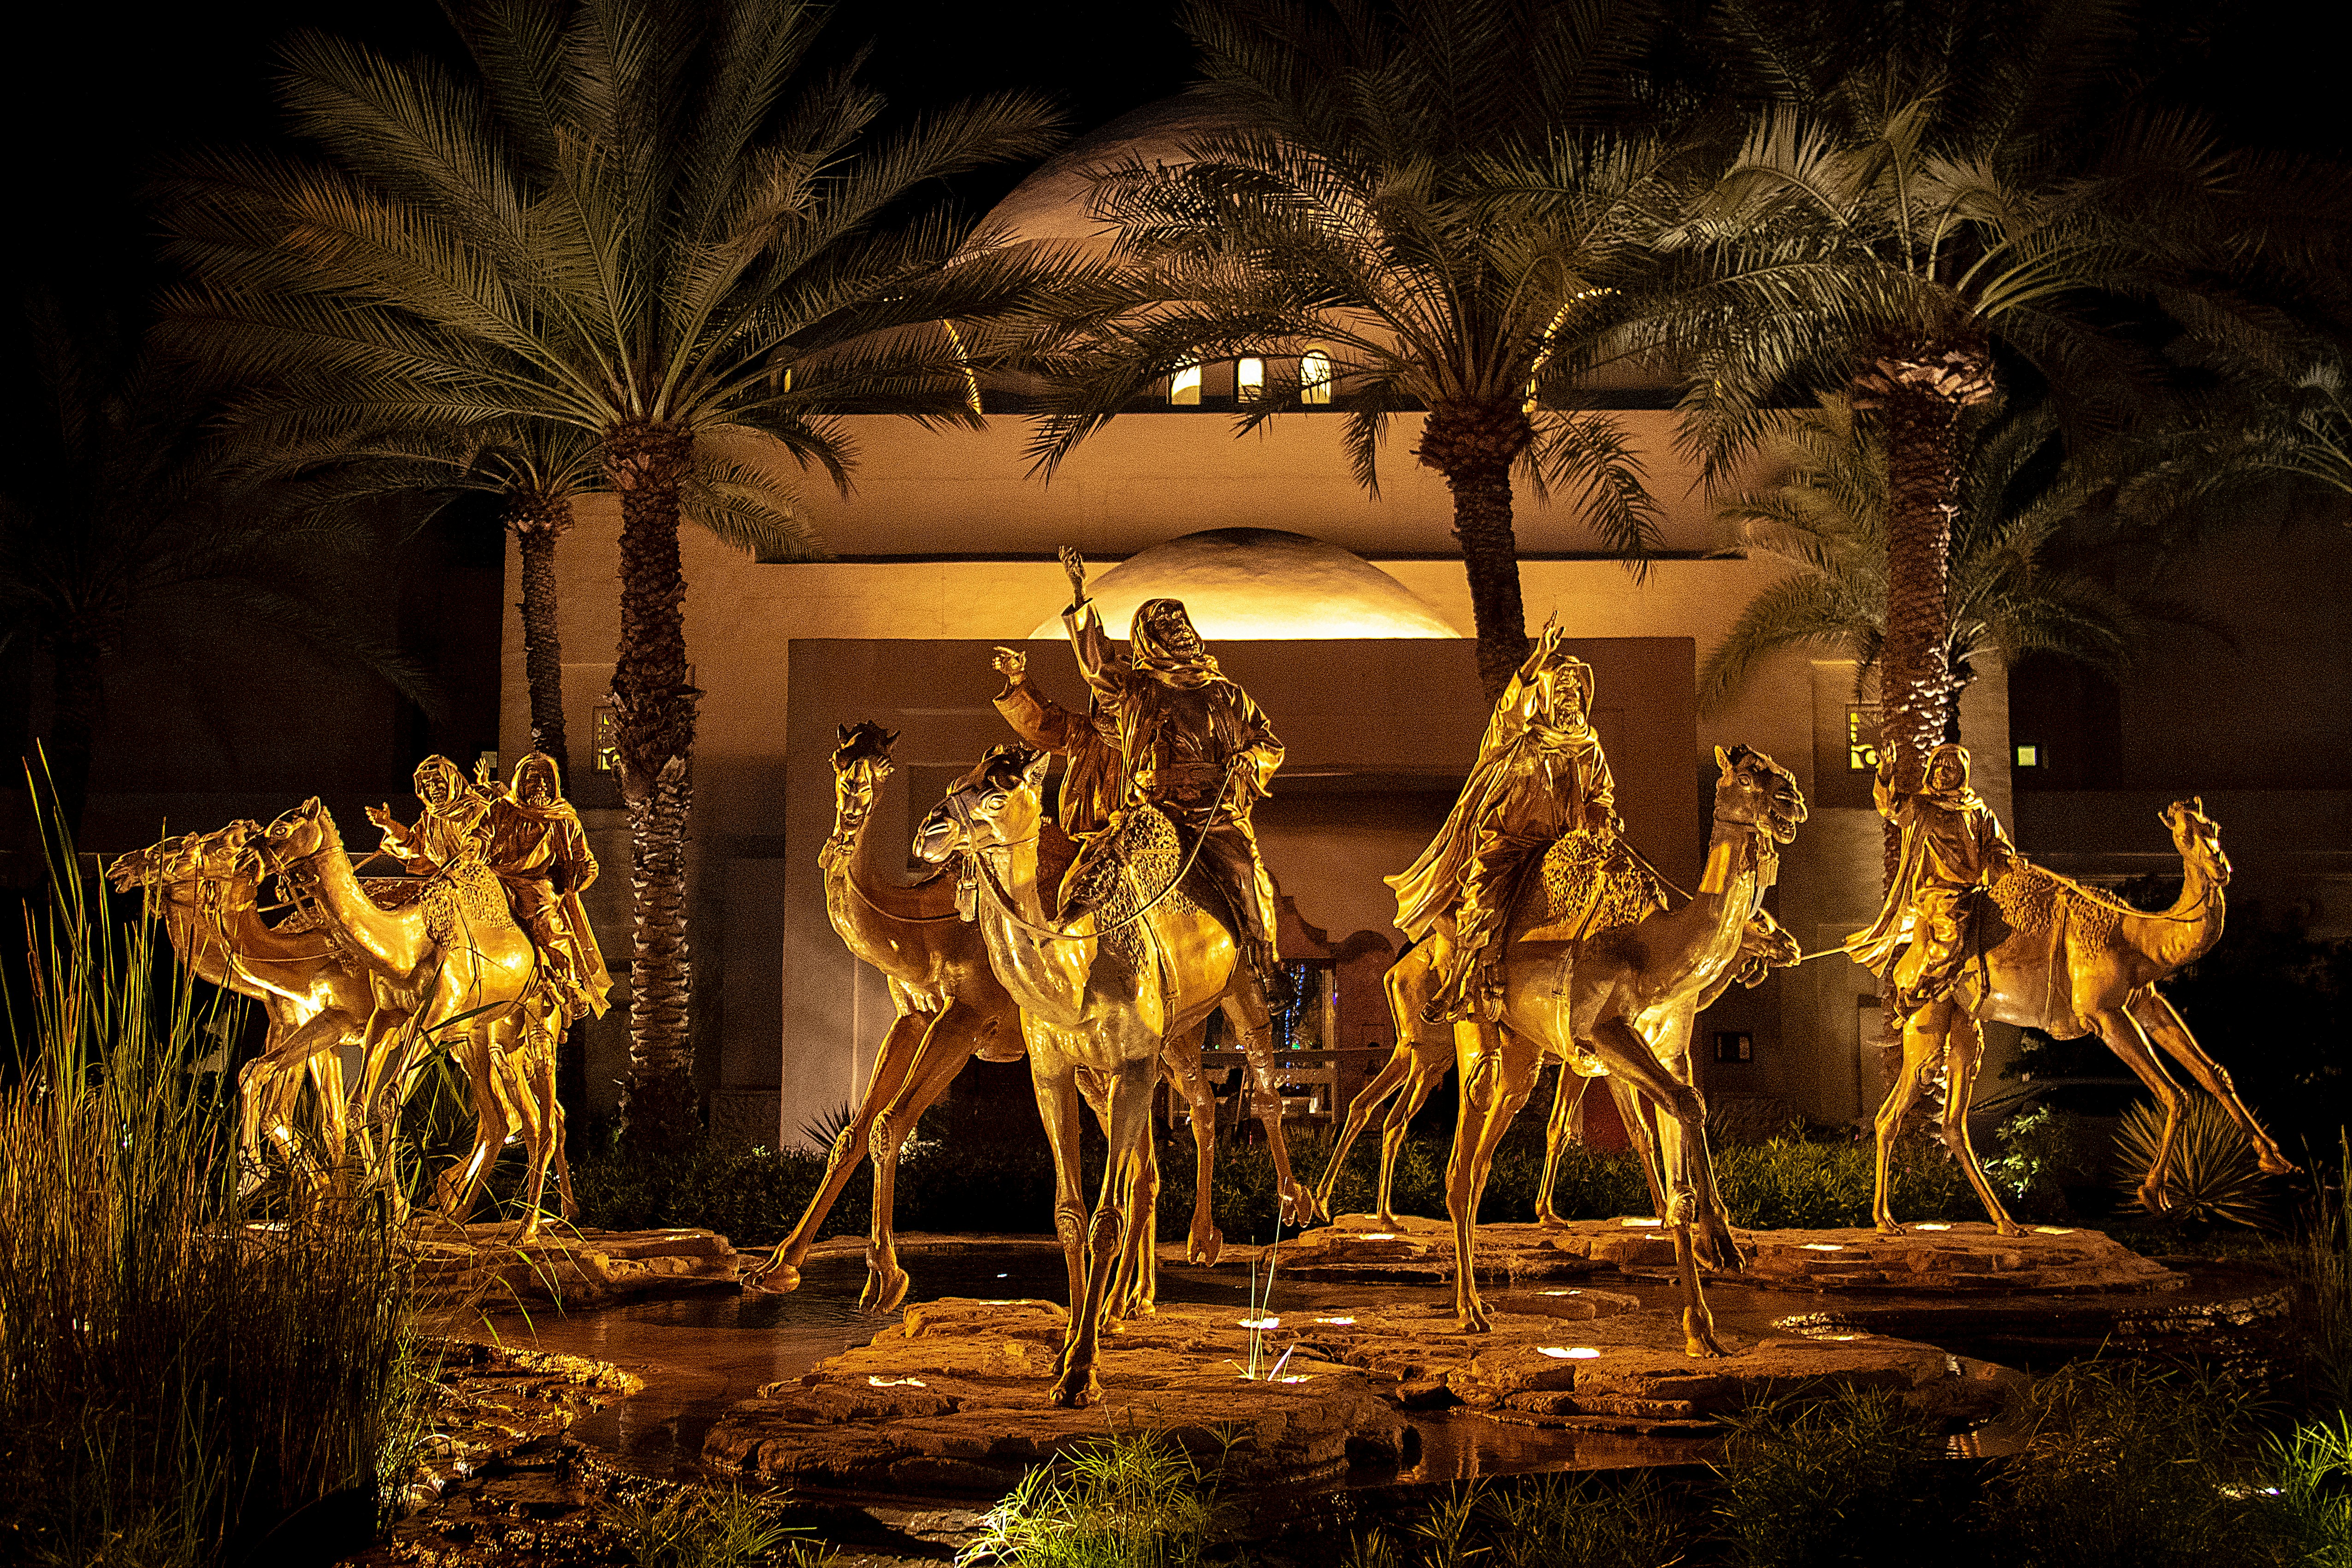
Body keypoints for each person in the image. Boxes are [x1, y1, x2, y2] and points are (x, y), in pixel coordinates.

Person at [1057, 547, 1291, 1005]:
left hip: (1212, 808)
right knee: (1099, 858)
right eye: (1166, 626)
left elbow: (1267, 739)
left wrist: (1251, 757)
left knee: (1246, 871)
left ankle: (1266, 963)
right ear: (1149, 638)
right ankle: (1063, 930)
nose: (1178, 631)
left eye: (1180, 623)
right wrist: (1081, 596)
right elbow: (1097, 665)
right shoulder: (1136, 687)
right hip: (1152, 806)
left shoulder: (1225, 691)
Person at [1389, 625, 1625, 1024]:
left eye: (1576, 690)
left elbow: (1601, 793)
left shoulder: (1589, 746)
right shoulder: (1519, 737)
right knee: (1483, 897)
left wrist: (1603, 815)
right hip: (1513, 841)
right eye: (1562, 688)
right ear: (1546, 693)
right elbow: (1509, 709)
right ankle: (1459, 980)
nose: (1572, 697)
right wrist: (1536, 658)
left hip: (1567, 845)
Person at [1846, 743, 2017, 1016]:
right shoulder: (1920, 806)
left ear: (1962, 774)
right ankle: (1920, 987)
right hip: (1936, 892)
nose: (1942, 772)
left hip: (1972, 889)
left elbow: (1997, 844)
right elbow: (1891, 809)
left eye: (1950, 768)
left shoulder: (1976, 810)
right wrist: (1884, 774)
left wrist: (2000, 861)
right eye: (1938, 765)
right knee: (1951, 932)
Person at [482, 752, 613, 1023]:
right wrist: (474, 849)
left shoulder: (564, 819)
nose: (540, 785)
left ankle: (570, 984)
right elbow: (481, 835)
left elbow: (583, 860)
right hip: (494, 878)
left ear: (554, 784)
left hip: (535, 885)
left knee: (548, 925)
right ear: (521, 782)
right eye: (533, 779)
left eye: (546, 779)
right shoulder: (500, 810)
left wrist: (587, 874)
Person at [989, 645, 1123, 839]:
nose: (1110, 700)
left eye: (1116, 692)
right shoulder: (1086, 734)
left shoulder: (1153, 738)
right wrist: (1017, 677)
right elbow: (1042, 723)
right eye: (1104, 691)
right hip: (1082, 841)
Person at [368, 755, 492, 879]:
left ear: (452, 782)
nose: (433, 789)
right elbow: (415, 846)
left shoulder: (475, 808)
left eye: (439, 782)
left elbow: (484, 839)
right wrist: (388, 824)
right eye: (427, 784)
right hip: (450, 884)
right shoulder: (430, 819)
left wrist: (475, 846)